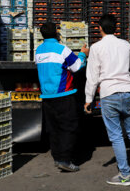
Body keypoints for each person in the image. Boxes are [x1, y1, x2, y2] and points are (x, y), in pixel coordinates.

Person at [84, 14, 130, 186]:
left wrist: (88, 100)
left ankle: (125, 175)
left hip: (109, 95)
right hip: (127, 93)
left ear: (99, 28)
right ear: (116, 28)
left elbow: (92, 76)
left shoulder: (96, 48)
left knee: (116, 137)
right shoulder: (126, 45)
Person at [35, 22, 89, 172]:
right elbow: (77, 66)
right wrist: (83, 53)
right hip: (64, 96)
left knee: (53, 128)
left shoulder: (38, 50)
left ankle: (57, 157)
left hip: (47, 97)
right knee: (68, 127)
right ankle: (65, 160)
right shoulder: (62, 49)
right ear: (57, 33)